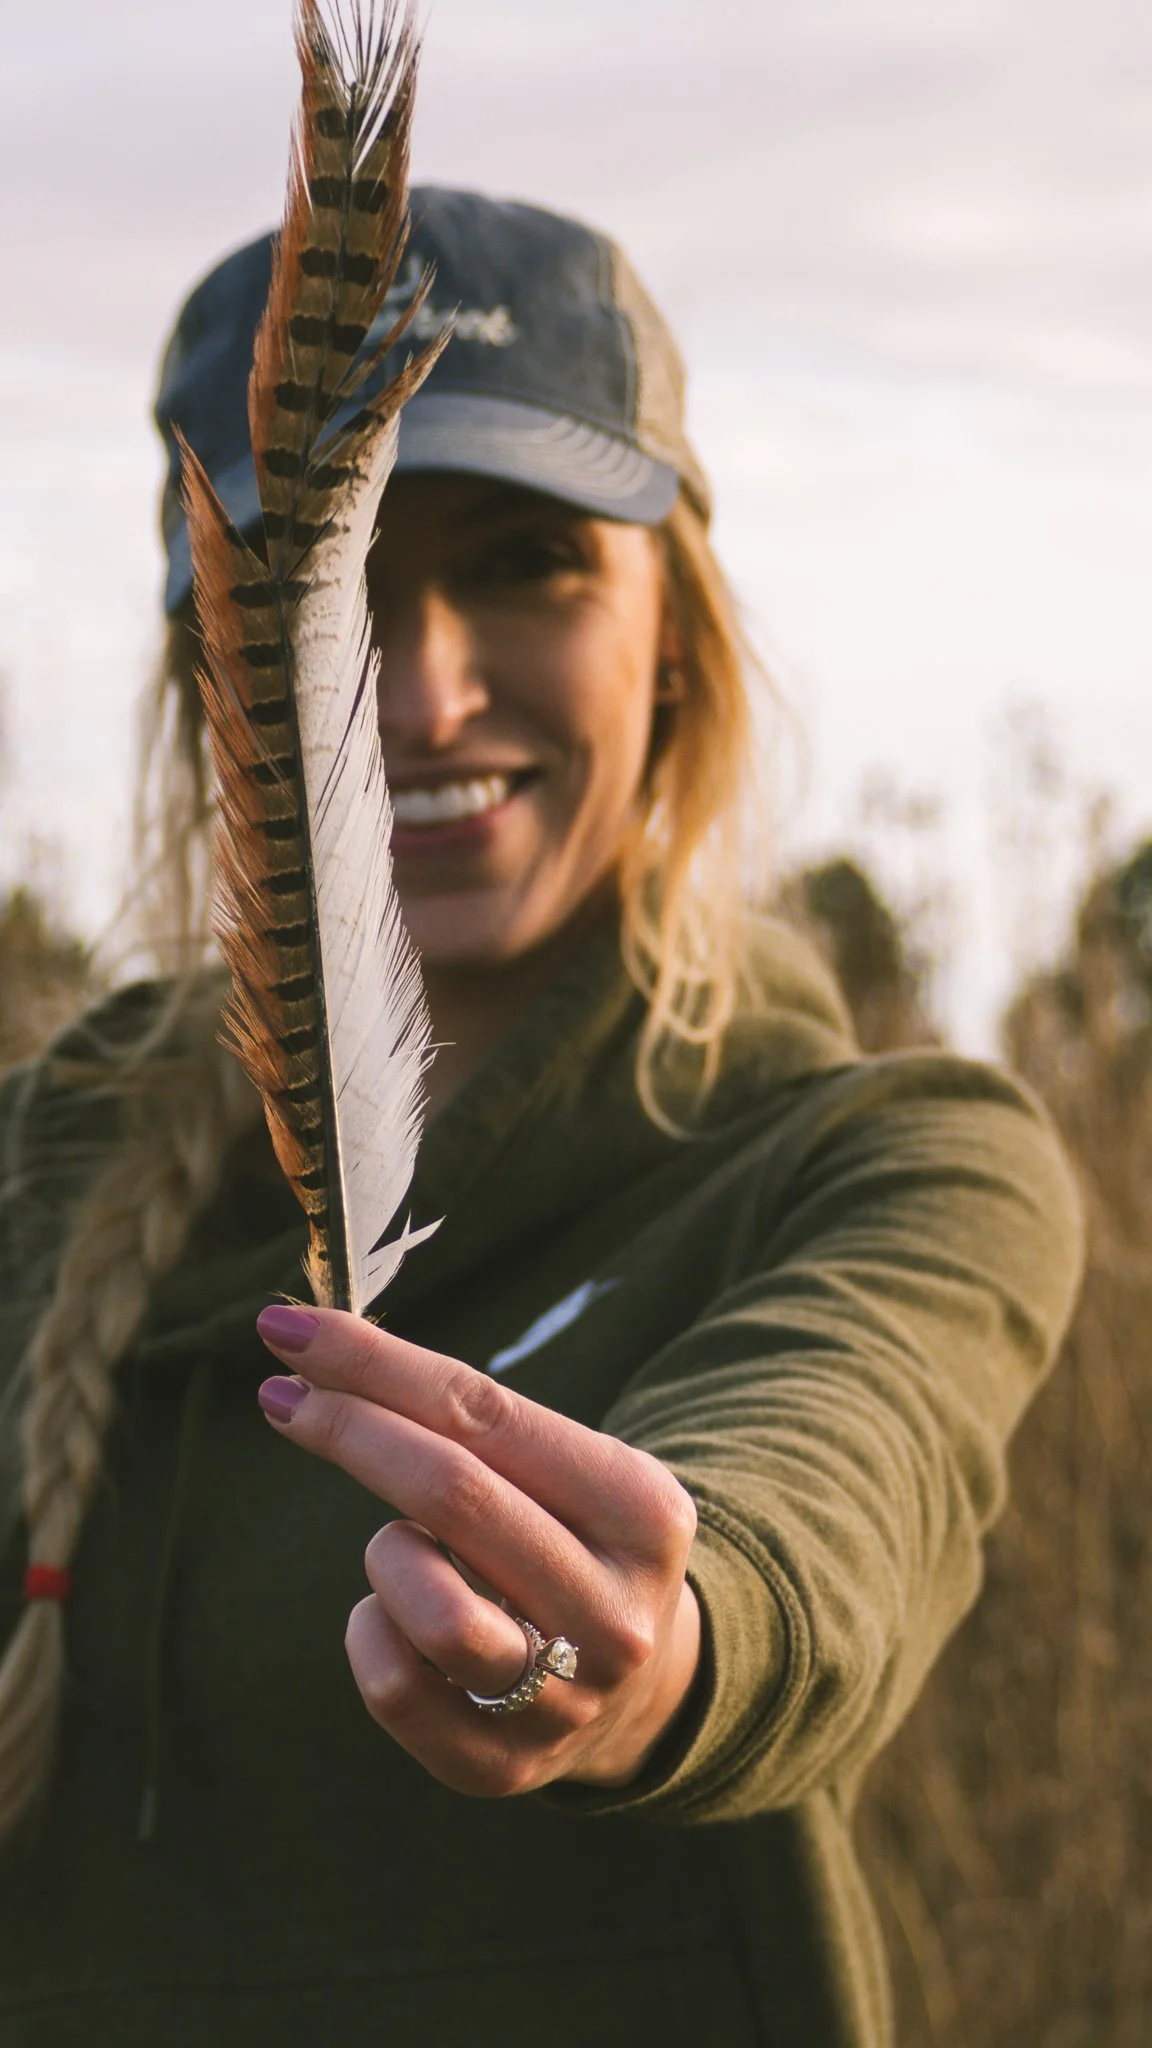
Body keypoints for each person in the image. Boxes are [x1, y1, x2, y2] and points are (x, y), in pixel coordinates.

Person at [0, 189, 1082, 2047]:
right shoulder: (39, 1170)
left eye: (522, 562)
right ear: (216, 670)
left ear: (673, 632)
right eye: (319, 584)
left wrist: (656, 1649)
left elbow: (827, 1484)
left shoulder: (885, 1158)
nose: (417, 691)